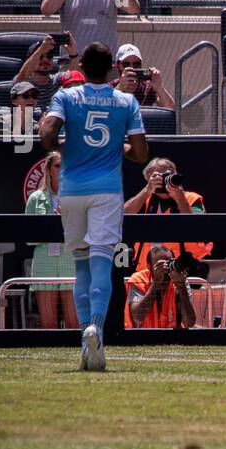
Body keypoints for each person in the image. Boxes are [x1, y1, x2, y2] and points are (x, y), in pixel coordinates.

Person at [38, 42, 150, 372]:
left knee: (82, 265)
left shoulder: (66, 96)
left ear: (82, 67)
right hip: (107, 191)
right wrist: (118, 146)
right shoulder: (126, 101)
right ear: (112, 69)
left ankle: (87, 344)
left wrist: (63, 142)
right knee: (103, 260)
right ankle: (96, 329)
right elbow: (141, 153)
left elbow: (46, 136)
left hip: (72, 190)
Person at [124, 156, 211, 274]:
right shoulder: (144, 199)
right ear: (148, 179)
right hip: (146, 273)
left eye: (166, 175)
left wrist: (180, 198)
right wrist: (147, 190)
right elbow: (122, 217)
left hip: (183, 270)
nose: (163, 180)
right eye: (157, 177)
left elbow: (197, 228)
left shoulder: (191, 198)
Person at [24, 150, 78, 330]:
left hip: (70, 260)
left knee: (74, 322)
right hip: (44, 261)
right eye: (57, 165)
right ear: (48, 169)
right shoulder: (35, 198)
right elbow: (28, 238)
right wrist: (50, 227)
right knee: (48, 324)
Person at [127, 243, 197, 329]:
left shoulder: (180, 279)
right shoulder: (138, 279)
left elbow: (189, 323)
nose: (165, 268)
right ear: (149, 267)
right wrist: (156, 283)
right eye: (160, 265)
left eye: (169, 263)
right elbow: (137, 317)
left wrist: (181, 287)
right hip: (144, 337)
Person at [13, 34, 80, 109]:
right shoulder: (24, 83)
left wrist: (73, 53)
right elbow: (22, 77)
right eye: (40, 56)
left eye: (49, 56)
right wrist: (41, 48)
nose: (45, 60)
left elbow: (73, 74)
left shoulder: (56, 80)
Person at [110, 43, 175, 108]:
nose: (131, 68)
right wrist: (120, 87)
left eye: (136, 64)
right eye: (126, 64)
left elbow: (172, 109)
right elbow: (102, 108)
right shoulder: (111, 86)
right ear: (117, 66)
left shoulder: (146, 89)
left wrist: (159, 87)